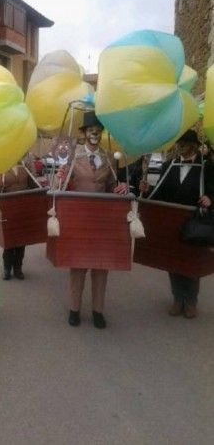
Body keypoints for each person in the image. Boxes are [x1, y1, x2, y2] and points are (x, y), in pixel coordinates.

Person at [57, 111, 128, 329]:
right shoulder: (72, 156)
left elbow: (111, 188)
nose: (94, 133)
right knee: (78, 266)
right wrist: (61, 179)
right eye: (90, 130)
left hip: (102, 221)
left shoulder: (109, 158)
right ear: (84, 133)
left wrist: (122, 188)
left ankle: (98, 311)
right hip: (79, 218)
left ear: (101, 133)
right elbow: (62, 189)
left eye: (97, 130)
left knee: (100, 266)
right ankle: (74, 309)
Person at [140, 129, 214, 318]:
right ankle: (177, 298)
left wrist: (210, 199)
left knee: (192, 261)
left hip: (195, 222)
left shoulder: (207, 166)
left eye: (184, 143)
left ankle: (191, 301)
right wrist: (148, 190)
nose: (179, 147)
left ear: (195, 146)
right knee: (173, 261)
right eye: (178, 143)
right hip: (172, 221)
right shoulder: (169, 165)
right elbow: (161, 192)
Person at [0, 160, 38, 280]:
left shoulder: (25, 165)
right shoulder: (1, 166)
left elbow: (33, 185)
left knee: (20, 241)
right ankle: (7, 269)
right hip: (6, 207)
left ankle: (18, 268)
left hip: (22, 207)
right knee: (8, 241)